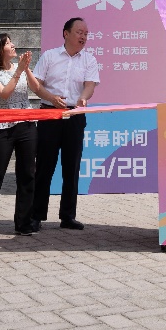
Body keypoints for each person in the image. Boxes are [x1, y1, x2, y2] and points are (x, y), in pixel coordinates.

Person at [0, 34, 51, 239]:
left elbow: (36, 88)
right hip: (3, 127)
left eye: (11, 42)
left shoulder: (20, 67)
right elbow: (5, 94)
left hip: (27, 124)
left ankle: (23, 223)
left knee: (27, 174)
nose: (13, 45)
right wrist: (18, 71)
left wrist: (26, 69)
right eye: (8, 43)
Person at [32, 17, 98, 230]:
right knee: (45, 165)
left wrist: (83, 98)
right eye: (79, 32)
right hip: (49, 114)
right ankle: (36, 215)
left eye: (86, 34)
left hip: (74, 115)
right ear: (66, 33)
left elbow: (90, 85)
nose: (83, 37)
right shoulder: (49, 56)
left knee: (72, 166)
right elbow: (36, 84)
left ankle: (68, 216)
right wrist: (51, 98)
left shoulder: (89, 60)